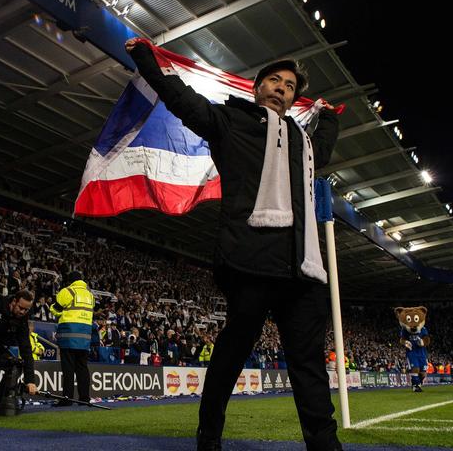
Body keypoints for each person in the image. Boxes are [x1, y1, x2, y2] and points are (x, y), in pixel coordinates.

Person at [126, 38, 341, 451]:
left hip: (303, 268)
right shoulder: (228, 120)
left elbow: (324, 150)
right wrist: (145, 59)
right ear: (257, 88)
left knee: (309, 364)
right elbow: (179, 98)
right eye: (274, 80)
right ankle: (209, 436)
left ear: (295, 98)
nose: (281, 87)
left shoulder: (303, 142)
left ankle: (325, 446)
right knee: (232, 353)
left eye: (290, 85)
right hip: (249, 261)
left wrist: (329, 120)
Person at [50, 271, 94, 406]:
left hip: (69, 335)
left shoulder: (67, 291)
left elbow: (56, 309)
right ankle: (84, 399)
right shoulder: (90, 295)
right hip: (85, 336)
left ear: (70, 281)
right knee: (82, 368)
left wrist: (54, 309)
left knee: (68, 369)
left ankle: (67, 399)